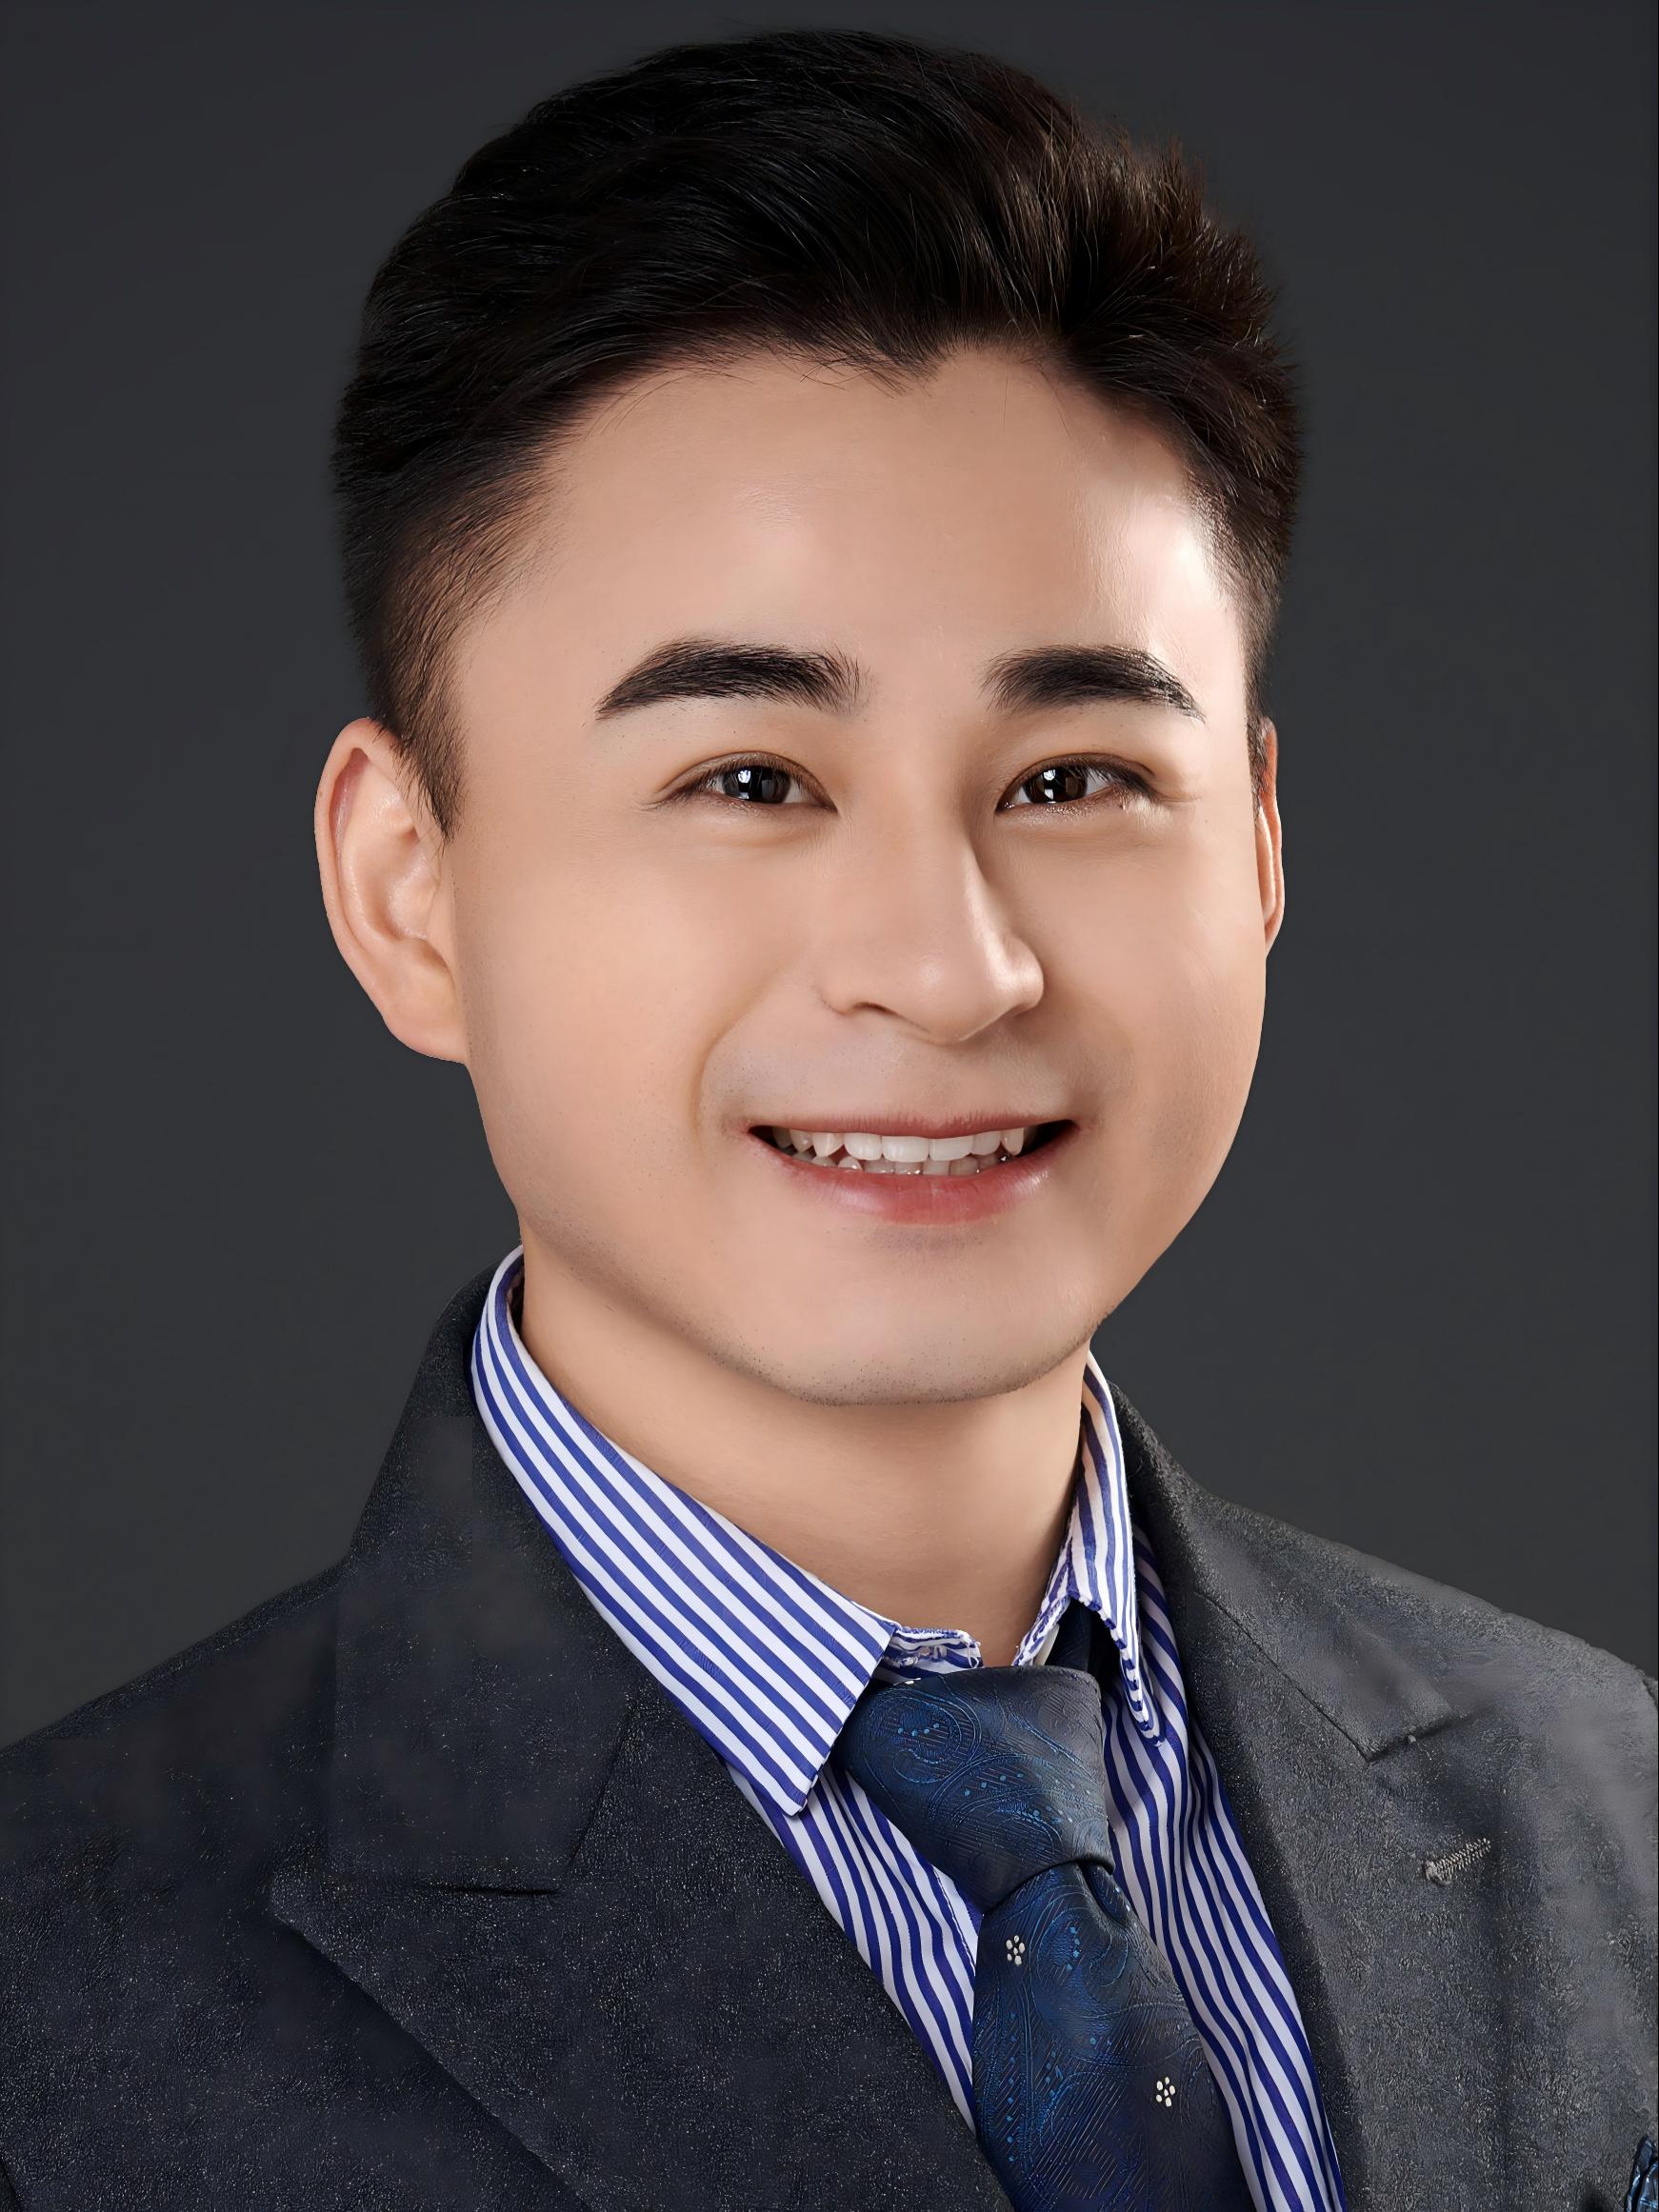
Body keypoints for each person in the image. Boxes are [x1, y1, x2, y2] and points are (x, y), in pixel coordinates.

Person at [1, 25, 1652, 2212]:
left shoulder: (1601, 1810)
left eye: (1074, 777)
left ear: (1257, 845)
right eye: (751, 779)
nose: (949, 968)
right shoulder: (57, 2001)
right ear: (409, 889)